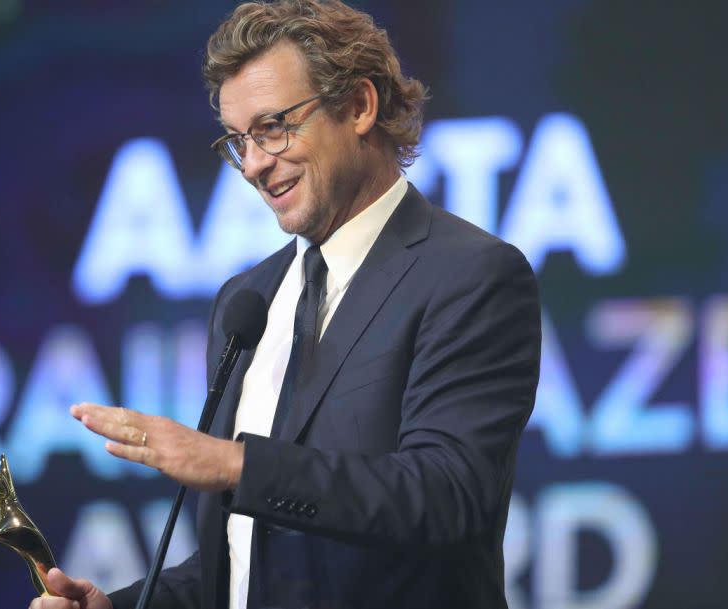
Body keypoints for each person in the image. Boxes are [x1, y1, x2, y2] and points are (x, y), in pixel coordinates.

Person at [31, 1, 540, 608]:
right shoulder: (247, 301)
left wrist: (237, 465)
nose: (252, 165)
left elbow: (446, 495)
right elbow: (247, 562)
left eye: (273, 127)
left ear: (358, 106)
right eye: (238, 140)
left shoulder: (469, 275)